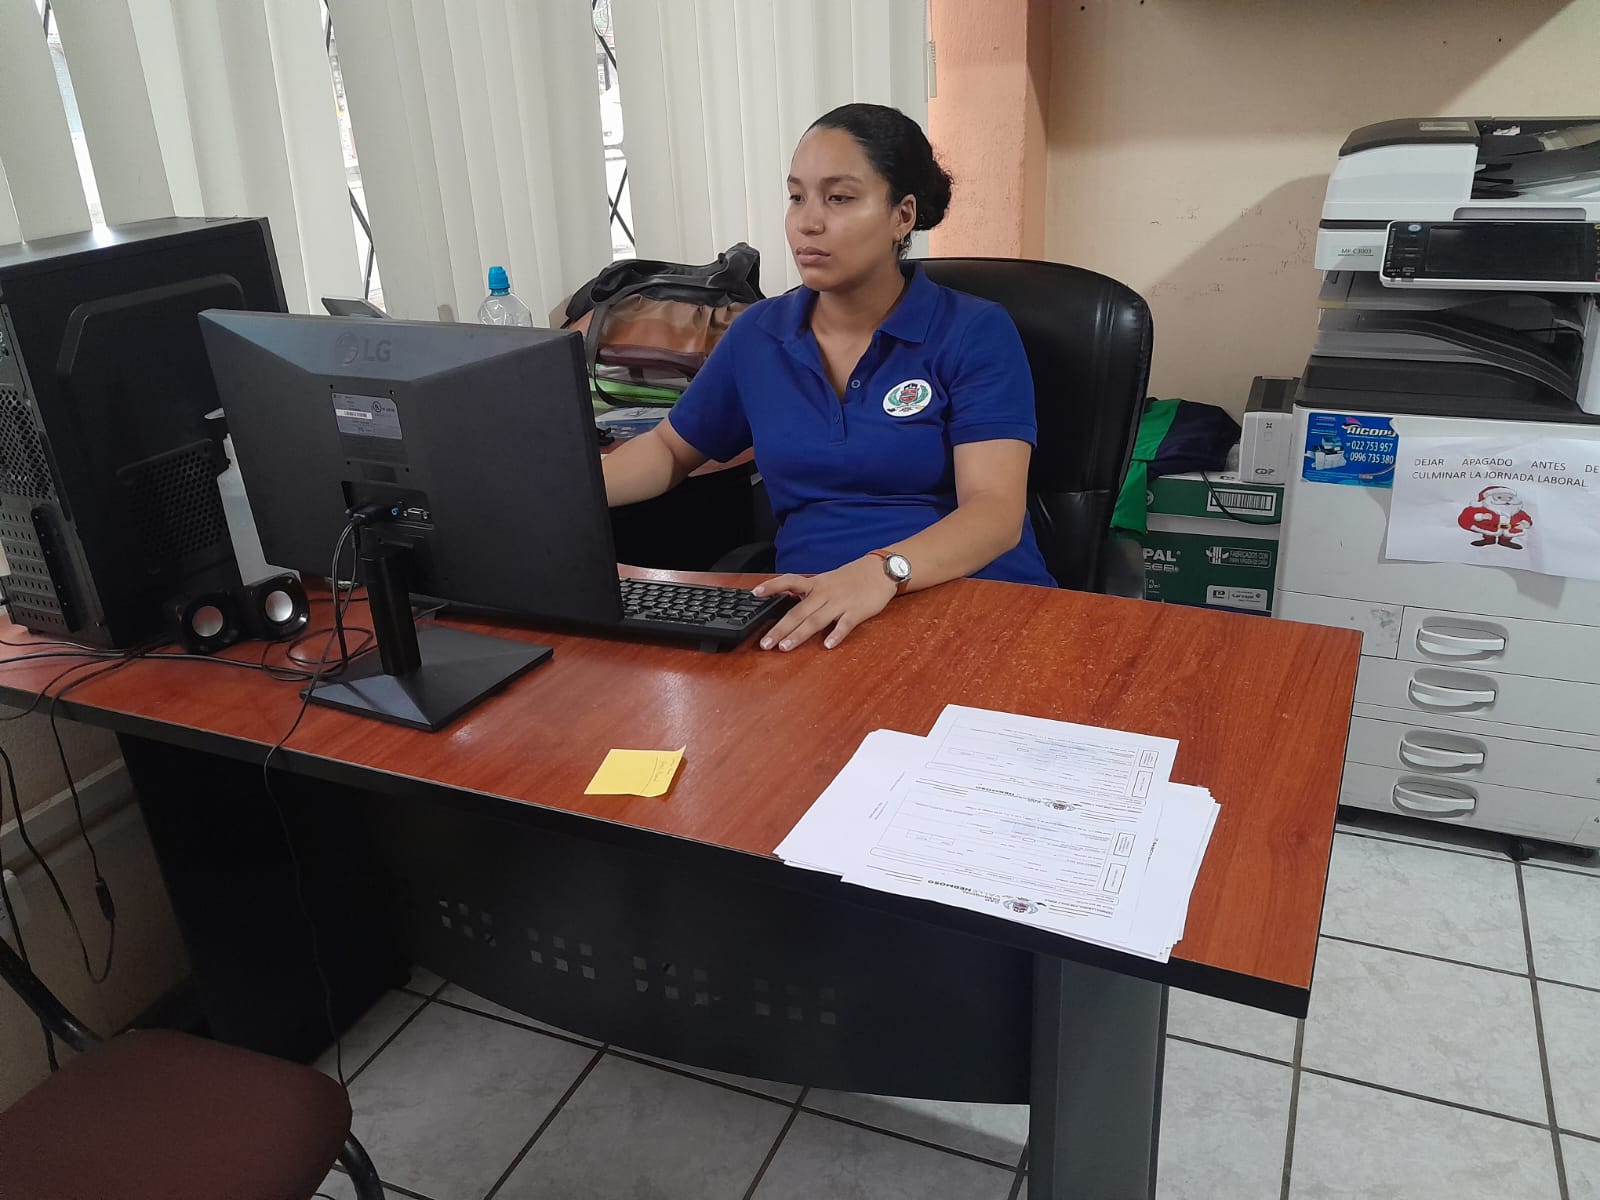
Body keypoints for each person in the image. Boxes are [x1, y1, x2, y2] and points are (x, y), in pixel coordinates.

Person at [602, 102, 1056, 652]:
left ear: (902, 216)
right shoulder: (759, 335)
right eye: (797, 197)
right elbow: (669, 451)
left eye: (839, 198)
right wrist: (552, 492)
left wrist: (882, 571)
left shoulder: (973, 331)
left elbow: (995, 512)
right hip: (818, 622)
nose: (807, 222)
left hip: (979, 604)